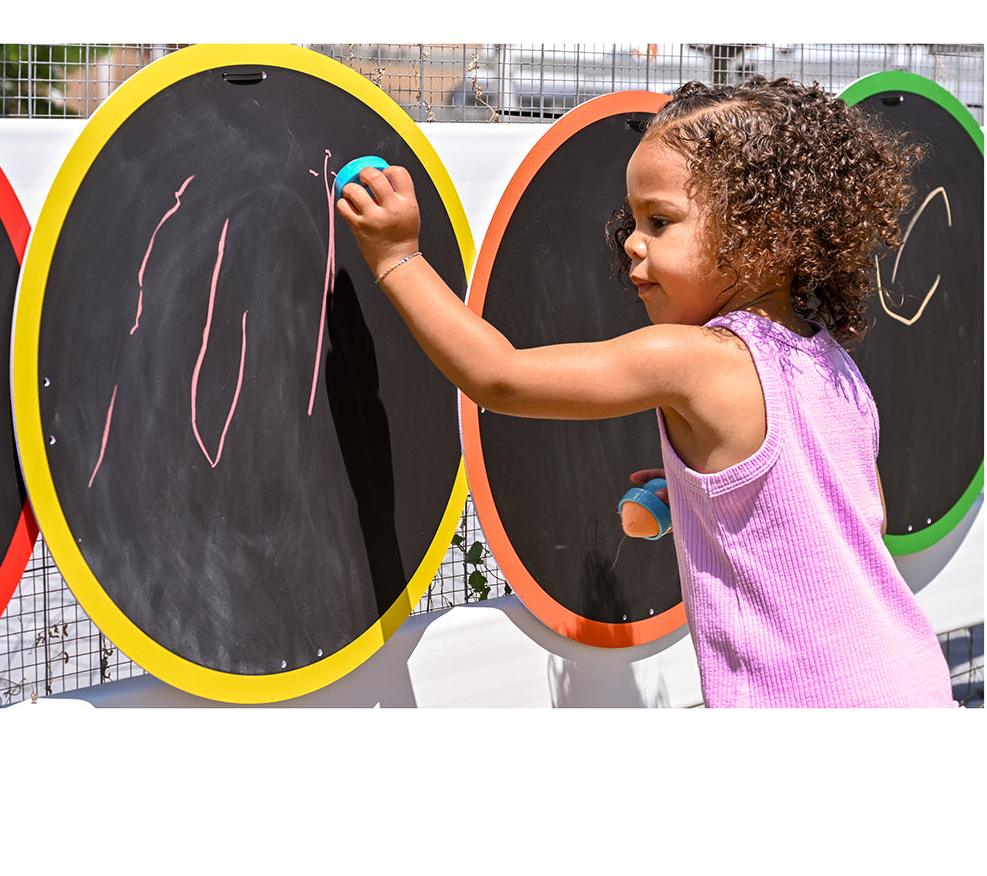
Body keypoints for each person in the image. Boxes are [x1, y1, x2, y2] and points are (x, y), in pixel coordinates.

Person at [336, 76, 955, 708]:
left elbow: (500, 376)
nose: (631, 240)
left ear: (766, 237)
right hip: (909, 682)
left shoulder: (698, 359)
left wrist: (397, 258)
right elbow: (848, 510)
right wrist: (710, 498)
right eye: (632, 220)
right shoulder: (833, 366)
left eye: (659, 221)